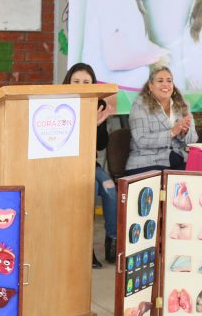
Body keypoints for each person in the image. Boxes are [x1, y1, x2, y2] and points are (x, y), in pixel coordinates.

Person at [62, 63, 116, 267]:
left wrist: (97, 126)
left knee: (109, 188)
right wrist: (87, 125)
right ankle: (87, 249)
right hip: (65, 165)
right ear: (68, 82)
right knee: (91, 189)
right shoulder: (59, 105)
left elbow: (101, 145)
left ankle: (112, 242)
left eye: (86, 82)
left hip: (88, 164)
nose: (81, 85)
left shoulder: (97, 105)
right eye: (76, 81)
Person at [126, 66, 198, 175]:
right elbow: (141, 140)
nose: (165, 84)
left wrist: (184, 132)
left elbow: (193, 139)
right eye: (160, 81)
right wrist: (172, 132)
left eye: (169, 81)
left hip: (179, 160)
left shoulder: (183, 105)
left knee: (199, 174)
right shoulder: (140, 105)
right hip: (147, 163)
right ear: (150, 86)